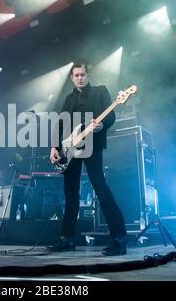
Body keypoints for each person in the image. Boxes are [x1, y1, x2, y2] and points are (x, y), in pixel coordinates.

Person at [48, 64, 127, 256]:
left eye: (83, 74)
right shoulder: (69, 98)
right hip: (70, 148)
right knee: (70, 193)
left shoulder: (100, 92)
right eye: (76, 75)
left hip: (92, 145)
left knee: (100, 186)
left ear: (87, 75)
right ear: (72, 78)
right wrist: (54, 147)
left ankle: (119, 238)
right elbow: (61, 123)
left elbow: (111, 115)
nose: (80, 77)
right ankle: (67, 239)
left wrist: (102, 125)